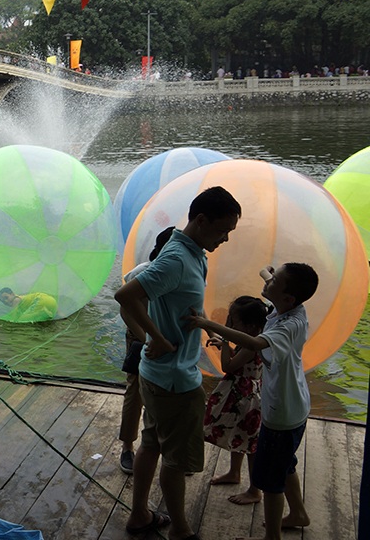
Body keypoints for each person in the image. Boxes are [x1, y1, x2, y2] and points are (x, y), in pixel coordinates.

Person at [115, 186, 241, 539]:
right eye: (222, 231)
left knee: (152, 443)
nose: (226, 238)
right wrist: (152, 337)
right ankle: (182, 531)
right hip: (174, 380)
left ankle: (140, 514)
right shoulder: (176, 259)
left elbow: (156, 300)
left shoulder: (190, 249)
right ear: (201, 221)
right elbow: (125, 295)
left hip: (158, 375)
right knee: (174, 460)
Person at [187, 263, 317, 540]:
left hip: (281, 412)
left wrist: (208, 324)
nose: (268, 282)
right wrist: (268, 272)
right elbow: (271, 280)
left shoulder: (287, 327)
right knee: (286, 464)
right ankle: (298, 513)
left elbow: (255, 344)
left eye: (274, 282)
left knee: (270, 481)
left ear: (287, 298)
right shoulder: (290, 308)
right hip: (295, 405)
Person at [117, 225, 175, 475]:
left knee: (169, 394)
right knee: (136, 391)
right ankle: (128, 447)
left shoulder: (180, 272)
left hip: (166, 339)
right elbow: (126, 310)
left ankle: (169, 449)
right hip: (141, 337)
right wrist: (147, 341)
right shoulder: (143, 272)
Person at [203, 295, 270, 505]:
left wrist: (224, 343)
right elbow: (239, 359)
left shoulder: (252, 345)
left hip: (245, 397)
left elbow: (228, 367)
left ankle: (254, 490)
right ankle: (234, 473)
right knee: (239, 435)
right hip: (243, 391)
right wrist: (228, 347)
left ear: (250, 327)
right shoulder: (249, 341)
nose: (228, 325)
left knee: (250, 445)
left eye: (233, 321)